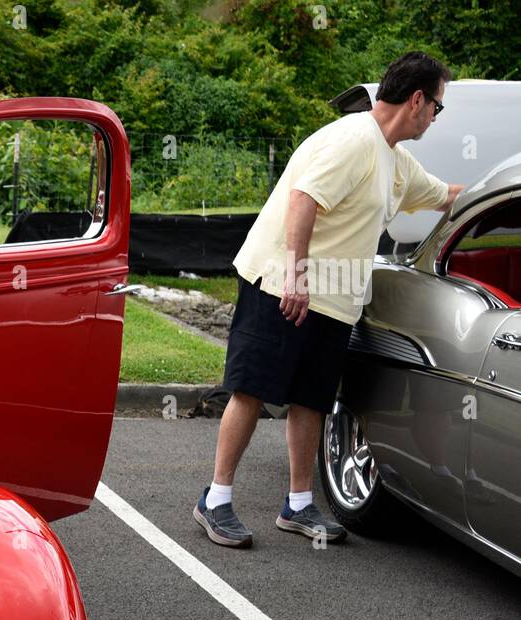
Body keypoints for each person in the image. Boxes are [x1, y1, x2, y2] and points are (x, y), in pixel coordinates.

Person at [194, 51, 465, 548]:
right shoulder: (353, 140)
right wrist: (296, 276)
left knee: (310, 399)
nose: (435, 118)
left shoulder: (393, 157)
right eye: (437, 108)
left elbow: (446, 195)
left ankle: (298, 505)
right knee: (250, 390)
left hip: (332, 300)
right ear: (418, 100)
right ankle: (215, 498)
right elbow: (304, 200)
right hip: (281, 285)